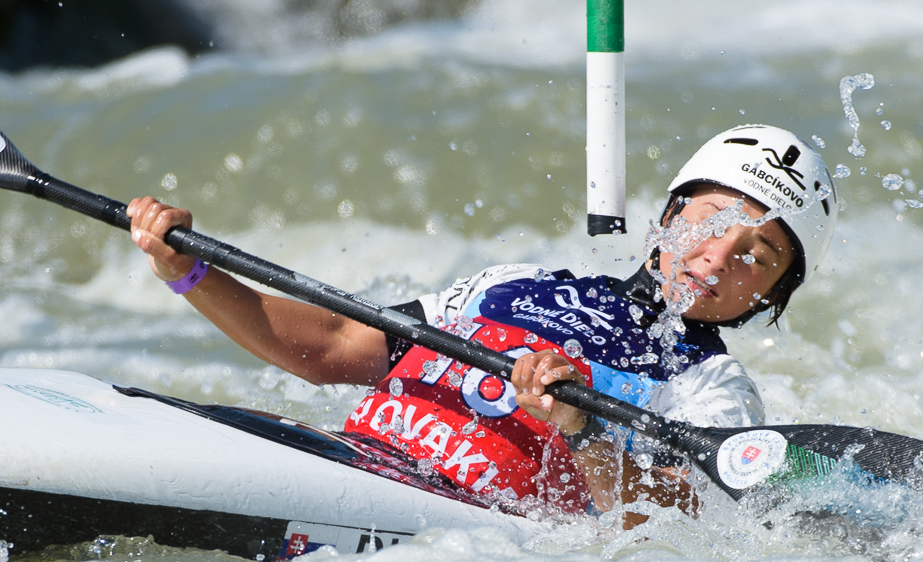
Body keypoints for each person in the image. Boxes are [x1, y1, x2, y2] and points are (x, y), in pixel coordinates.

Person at [127, 124, 837, 522]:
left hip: (455, 525)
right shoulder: (515, 284)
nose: (719, 258)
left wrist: (581, 428)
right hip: (348, 458)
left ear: (771, 298)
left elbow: (671, 522)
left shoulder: (713, 389)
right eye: (713, 222)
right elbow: (332, 344)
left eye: (758, 256)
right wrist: (186, 271)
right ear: (669, 215)